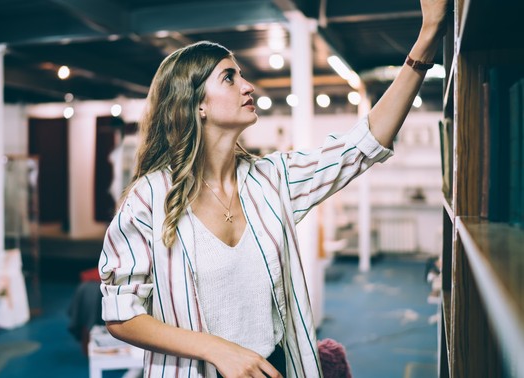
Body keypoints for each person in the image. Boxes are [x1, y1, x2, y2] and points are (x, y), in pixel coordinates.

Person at [98, 1, 448, 376]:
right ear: (196, 103)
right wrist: (220, 351)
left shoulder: (272, 180)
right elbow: (121, 314)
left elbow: (361, 145)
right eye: (229, 77)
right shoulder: (148, 200)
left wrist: (426, 39)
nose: (248, 86)